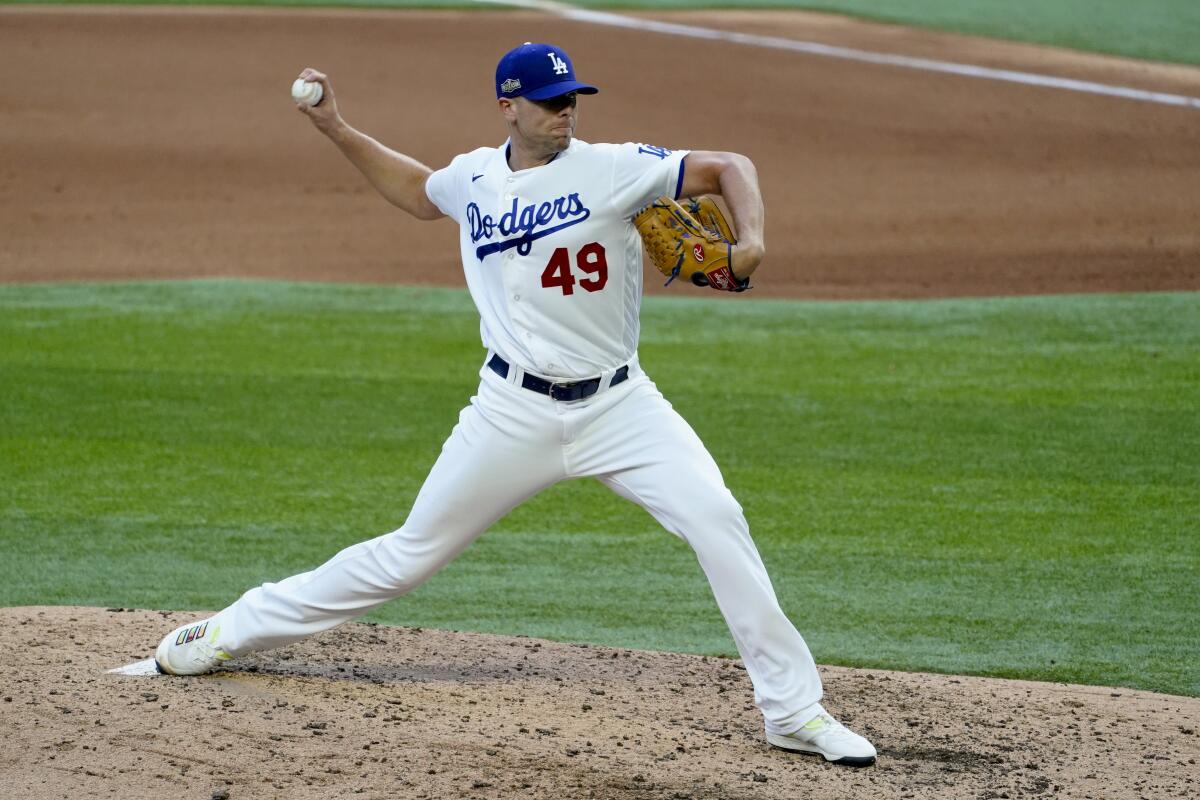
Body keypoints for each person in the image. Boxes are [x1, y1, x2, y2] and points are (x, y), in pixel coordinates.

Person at [154, 42, 877, 767]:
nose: (566, 112)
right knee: (405, 559)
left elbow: (728, 167)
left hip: (621, 408)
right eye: (550, 101)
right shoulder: (473, 177)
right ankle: (227, 631)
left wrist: (750, 239)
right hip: (510, 412)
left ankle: (794, 711)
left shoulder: (616, 167)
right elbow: (417, 191)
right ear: (509, 106)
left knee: (718, 519)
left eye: (572, 99)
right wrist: (336, 128)